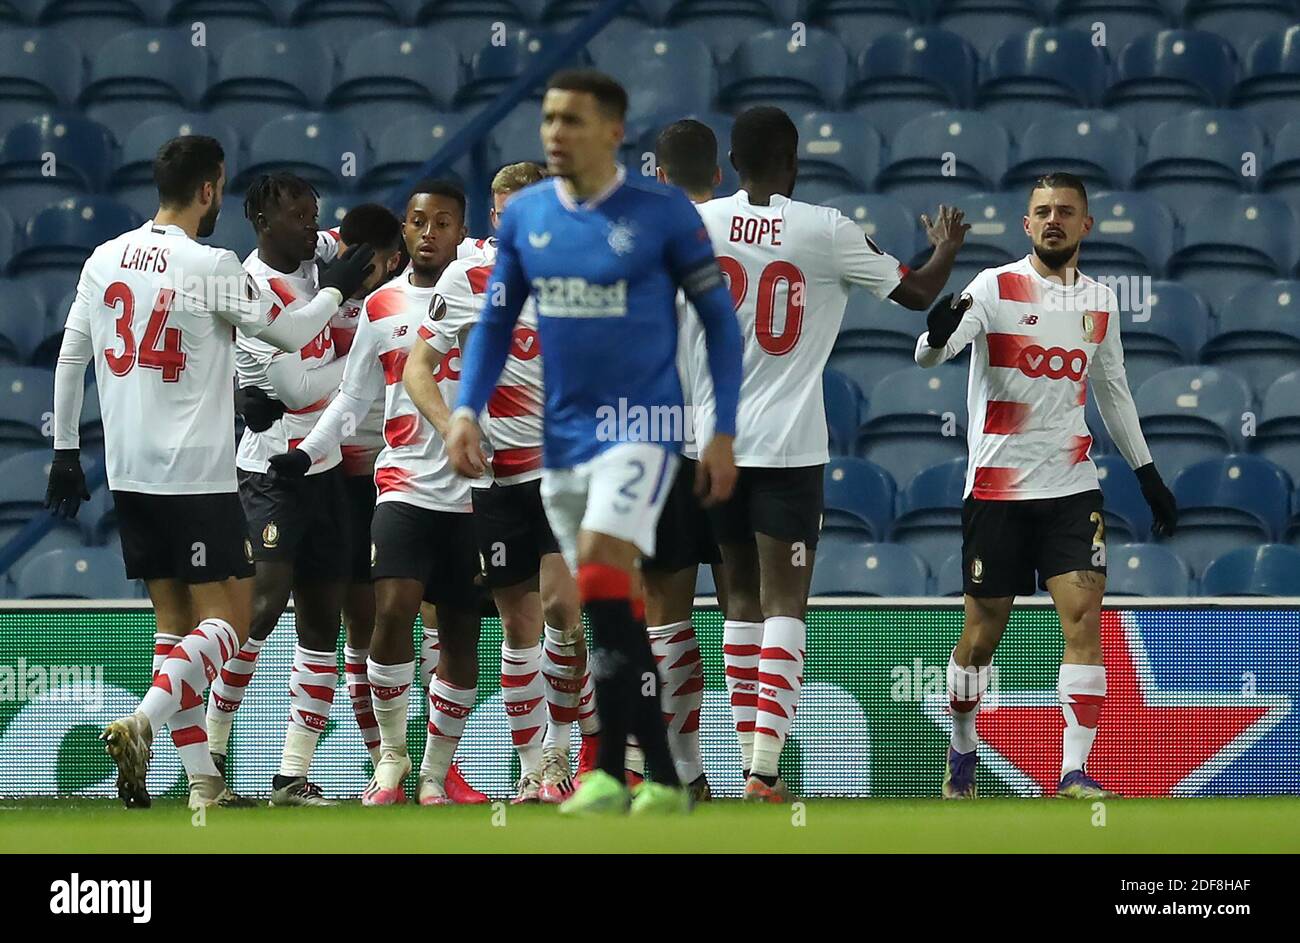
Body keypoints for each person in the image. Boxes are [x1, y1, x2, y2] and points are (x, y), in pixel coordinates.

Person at [44, 134, 375, 809]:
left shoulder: (103, 257)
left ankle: (202, 782)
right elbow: (284, 335)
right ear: (209, 188)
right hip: (194, 475)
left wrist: (64, 451)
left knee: (173, 625)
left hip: (128, 473)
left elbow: (71, 356)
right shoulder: (214, 262)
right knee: (228, 620)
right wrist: (337, 287)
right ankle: (141, 721)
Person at [446, 69, 745, 816]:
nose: (553, 132)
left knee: (606, 581)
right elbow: (493, 322)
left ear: (613, 130)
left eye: (571, 120)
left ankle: (610, 767)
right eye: (547, 118)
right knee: (609, 605)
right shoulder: (529, 217)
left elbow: (719, 324)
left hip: (642, 428)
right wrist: (464, 409)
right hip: (564, 439)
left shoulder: (665, 213)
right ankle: (667, 778)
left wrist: (723, 429)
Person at [694, 106, 969, 801]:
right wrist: (947, 248)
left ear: (731, 161)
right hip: (789, 445)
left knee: (737, 604)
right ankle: (763, 769)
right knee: (786, 601)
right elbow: (916, 293)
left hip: (713, 442)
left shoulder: (695, 224)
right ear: (793, 163)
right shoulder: (826, 228)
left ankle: (741, 762)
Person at [912, 172, 1177, 799]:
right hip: (997, 491)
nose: (1052, 220)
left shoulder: (1100, 302)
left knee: (1085, 619)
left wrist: (1147, 473)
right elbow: (930, 355)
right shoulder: (995, 287)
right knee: (980, 640)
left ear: (1086, 225)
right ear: (1026, 225)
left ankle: (1073, 773)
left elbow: (1112, 392)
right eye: (1041, 211)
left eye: (1065, 211)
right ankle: (963, 745)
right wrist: (938, 328)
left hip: (1071, 486)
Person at [269, 180, 485, 806]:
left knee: (461, 636)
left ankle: (437, 775)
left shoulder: (490, 295)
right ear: (405, 232)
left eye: (443, 223)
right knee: (392, 611)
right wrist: (307, 452)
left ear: (460, 231)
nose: (428, 233)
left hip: (475, 489)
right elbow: (355, 398)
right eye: (418, 222)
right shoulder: (382, 306)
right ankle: (391, 758)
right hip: (403, 483)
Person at [402, 162, 592, 804]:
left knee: (564, 610)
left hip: (564, 468)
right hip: (497, 480)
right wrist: (452, 422)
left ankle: (565, 753)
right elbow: (418, 368)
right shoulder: (465, 277)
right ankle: (540, 766)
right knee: (518, 627)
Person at [202, 173, 354, 806]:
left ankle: (292, 773)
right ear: (263, 221)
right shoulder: (248, 287)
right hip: (268, 470)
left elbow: (362, 238)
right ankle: (209, 753)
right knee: (261, 606)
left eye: (314, 215)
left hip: (325, 469)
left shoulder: (315, 259)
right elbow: (294, 389)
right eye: (298, 217)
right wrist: (369, 359)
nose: (311, 228)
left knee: (322, 624)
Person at [639, 118, 729, 801]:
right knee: (751, 616)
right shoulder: (756, 239)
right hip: (742, 447)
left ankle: (681, 767)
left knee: (666, 616)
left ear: (658, 176)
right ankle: (760, 769)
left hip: (663, 446)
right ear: (719, 174)